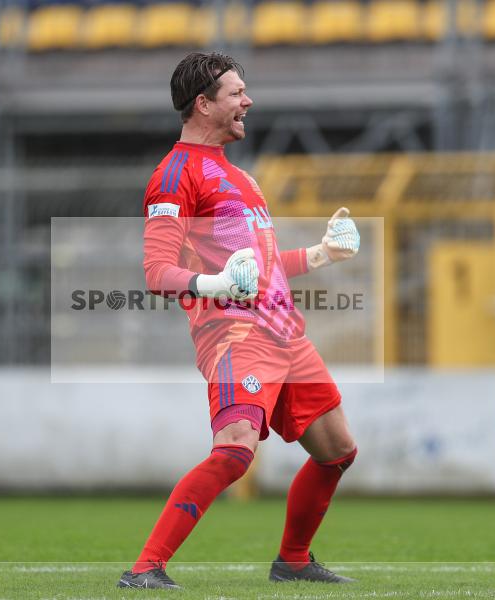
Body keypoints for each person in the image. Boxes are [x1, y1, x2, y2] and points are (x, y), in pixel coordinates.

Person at [118, 52, 361, 590]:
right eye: (235, 93)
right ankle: (144, 569)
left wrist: (321, 254)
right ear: (203, 104)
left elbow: (265, 268)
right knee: (233, 451)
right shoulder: (175, 174)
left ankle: (293, 561)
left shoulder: (244, 180)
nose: (247, 101)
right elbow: (157, 271)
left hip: (285, 333)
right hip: (235, 335)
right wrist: (215, 287)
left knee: (338, 451)